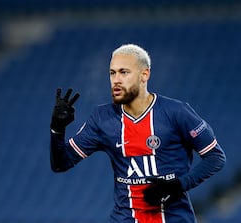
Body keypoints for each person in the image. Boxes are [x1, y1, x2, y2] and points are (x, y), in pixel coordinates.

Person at [49, 44, 226, 223]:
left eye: (124, 72)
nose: (116, 80)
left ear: (144, 75)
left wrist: (178, 185)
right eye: (112, 73)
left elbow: (215, 157)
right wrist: (57, 129)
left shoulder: (177, 112)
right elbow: (61, 163)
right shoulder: (102, 118)